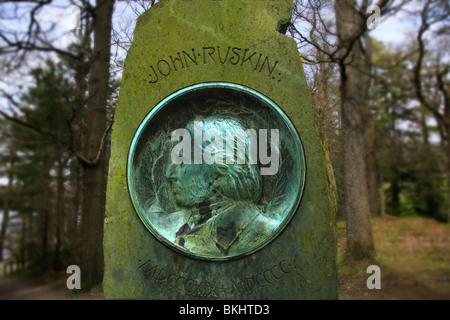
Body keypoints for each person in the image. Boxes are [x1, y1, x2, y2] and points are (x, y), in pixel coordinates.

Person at [149, 117, 278, 258]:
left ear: (219, 172)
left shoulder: (265, 233)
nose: (169, 175)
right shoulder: (167, 227)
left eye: (182, 161)